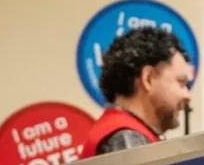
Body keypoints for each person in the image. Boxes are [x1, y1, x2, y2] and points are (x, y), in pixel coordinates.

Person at [80, 27, 193, 157]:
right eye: (181, 83)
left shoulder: (124, 134)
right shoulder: (126, 140)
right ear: (148, 78)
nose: (187, 95)